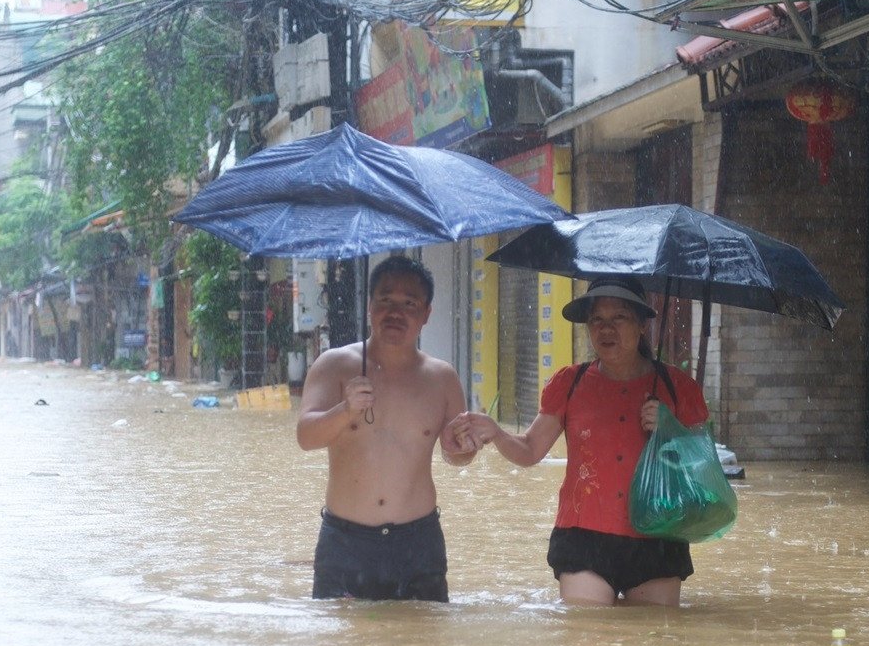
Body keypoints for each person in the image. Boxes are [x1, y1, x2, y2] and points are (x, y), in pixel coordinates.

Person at [449, 279, 709, 607]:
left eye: (619, 318)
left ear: (642, 325)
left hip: (658, 533)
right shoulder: (569, 383)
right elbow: (530, 450)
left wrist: (670, 427)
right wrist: (497, 433)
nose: (606, 329)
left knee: (651, 642)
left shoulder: (676, 388)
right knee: (585, 633)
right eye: (596, 320)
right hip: (583, 536)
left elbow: (706, 462)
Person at [297, 255, 480, 602]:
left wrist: (463, 448)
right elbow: (306, 437)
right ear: (370, 307)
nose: (395, 312)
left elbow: (459, 454)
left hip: (418, 543)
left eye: (409, 303)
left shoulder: (442, 378)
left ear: (426, 314)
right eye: (385, 300)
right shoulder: (334, 365)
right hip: (345, 542)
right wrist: (345, 409)